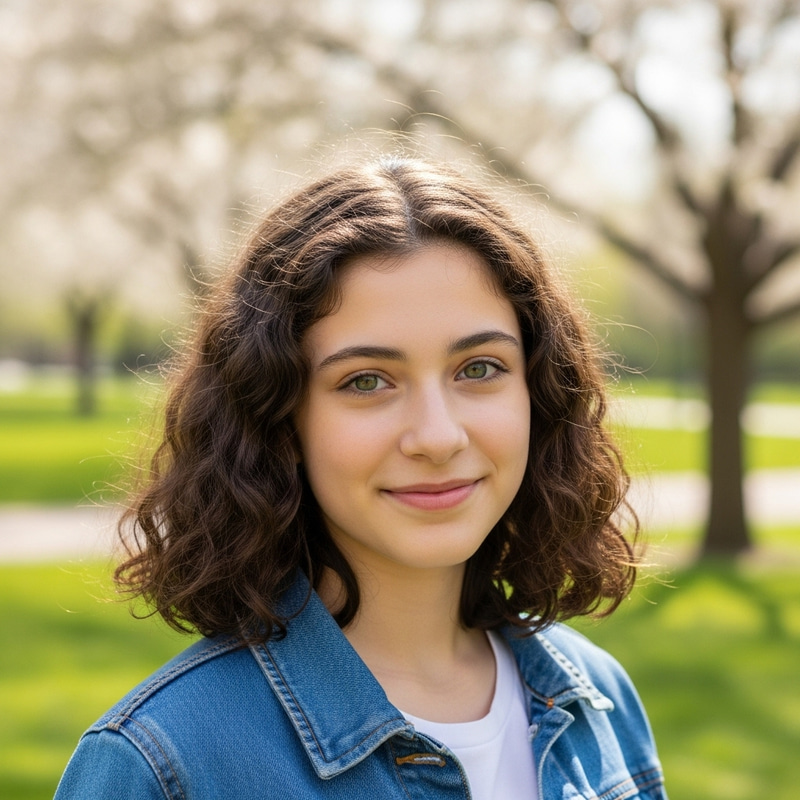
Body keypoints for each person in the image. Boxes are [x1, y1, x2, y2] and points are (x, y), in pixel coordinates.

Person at [55, 156, 667, 799]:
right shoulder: (163, 763)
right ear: (280, 420)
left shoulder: (599, 702)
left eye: (480, 368)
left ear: (537, 393)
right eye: (366, 381)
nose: (437, 436)